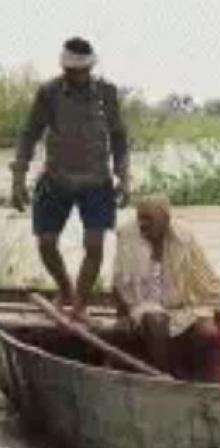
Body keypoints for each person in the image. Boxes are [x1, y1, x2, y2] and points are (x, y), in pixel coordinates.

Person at [9, 37, 130, 318]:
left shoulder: (107, 93)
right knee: (46, 243)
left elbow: (119, 137)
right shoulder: (48, 92)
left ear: (89, 68)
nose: (73, 75)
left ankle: (79, 306)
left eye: (79, 70)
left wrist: (124, 177)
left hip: (96, 181)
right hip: (56, 178)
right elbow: (29, 133)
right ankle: (65, 289)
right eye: (68, 69)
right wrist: (18, 177)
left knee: (94, 246)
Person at [112, 195, 220, 378]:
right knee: (156, 321)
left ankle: (200, 377)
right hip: (143, 303)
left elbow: (205, 275)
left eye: (148, 219)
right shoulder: (127, 235)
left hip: (181, 302)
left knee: (208, 331)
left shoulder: (183, 237)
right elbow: (118, 280)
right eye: (140, 218)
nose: (142, 224)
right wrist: (122, 315)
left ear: (166, 220)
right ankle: (163, 375)